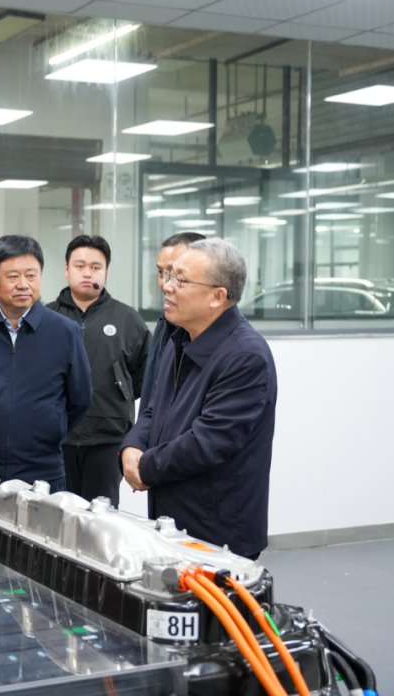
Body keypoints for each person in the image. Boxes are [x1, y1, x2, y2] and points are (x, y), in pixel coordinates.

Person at [120, 239, 277, 560]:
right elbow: (155, 408)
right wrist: (132, 446)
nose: (167, 286)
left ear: (217, 297)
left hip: (217, 533)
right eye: (168, 275)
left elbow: (208, 443)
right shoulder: (180, 339)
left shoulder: (245, 356)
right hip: (172, 521)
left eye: (180, 279)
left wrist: (144, 467)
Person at [0, 235, 93, 494]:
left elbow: (80, 398)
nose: (23, 284)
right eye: (13, 276)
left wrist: (49, 426)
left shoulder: (65, 331)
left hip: (43, 474)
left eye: (31, 275)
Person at [46, 235, 150, 505]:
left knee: (101, 516)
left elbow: (144, 377)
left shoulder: (128, 319)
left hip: (109, 438)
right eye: (79, 266)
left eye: (95, 267)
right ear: (66, 269)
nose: (87, 273)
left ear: (106, 272)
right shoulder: (46, 317)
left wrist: (118, 389)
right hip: (56, 439)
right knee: (56, 514)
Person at [140, 232, 206, 416]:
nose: (165, 284)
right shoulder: (166, 323)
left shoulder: (235, 348)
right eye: (161, 273)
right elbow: (152, 400)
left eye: (177, 273)